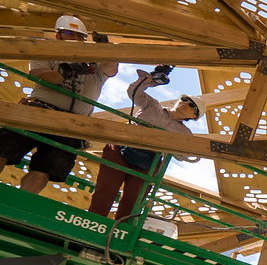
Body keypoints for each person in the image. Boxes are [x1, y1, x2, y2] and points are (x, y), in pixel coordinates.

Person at [0, 15, 119, 194]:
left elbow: (111, 67)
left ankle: (20, 202)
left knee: (45, 170)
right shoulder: (46, 54)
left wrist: (106, 50)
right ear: (58, 36)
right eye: (69, 33)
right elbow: (41, 75)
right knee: (3, 146)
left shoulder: (94, 64)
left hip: (71, 125)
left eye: (80, 36)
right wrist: (65, 71)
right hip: (40, 111)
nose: (75, 38)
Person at [88, 66, 199, 221]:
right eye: (184, 99)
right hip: (120, 150)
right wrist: (147, 81)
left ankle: (120, 233)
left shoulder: (185, 134)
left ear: (194, 116)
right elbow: (134, 93)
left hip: (146, 164)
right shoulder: (153, 105)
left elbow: (186, 155)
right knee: (105, 190)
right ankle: (91, 223)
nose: (186, 103)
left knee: (133, 202)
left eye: (192, 105)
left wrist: (163, 146)